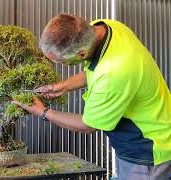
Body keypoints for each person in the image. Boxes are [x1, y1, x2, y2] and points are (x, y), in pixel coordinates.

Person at [12, 13, 171, 179]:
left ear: (81, 54)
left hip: (148, 150)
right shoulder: (103, 28)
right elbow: (96, 70)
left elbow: (88, 125)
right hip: (146, 131)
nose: (61, 66)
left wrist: (42, 112)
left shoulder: (115, 72)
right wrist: (64, 86)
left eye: (63, 62)